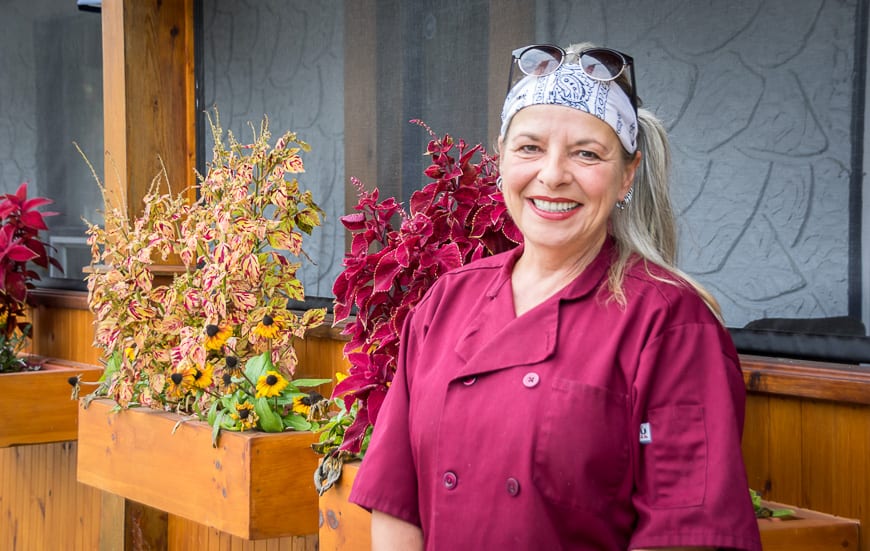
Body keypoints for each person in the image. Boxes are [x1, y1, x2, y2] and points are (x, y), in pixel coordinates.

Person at [349, 41, 762, 551]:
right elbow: (397, 500)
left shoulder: (671, 323)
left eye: (587, 153)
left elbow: (688, 532)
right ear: (500, 159)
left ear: (626, 175)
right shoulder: (445, 302)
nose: (552, 175)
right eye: (529, 147)